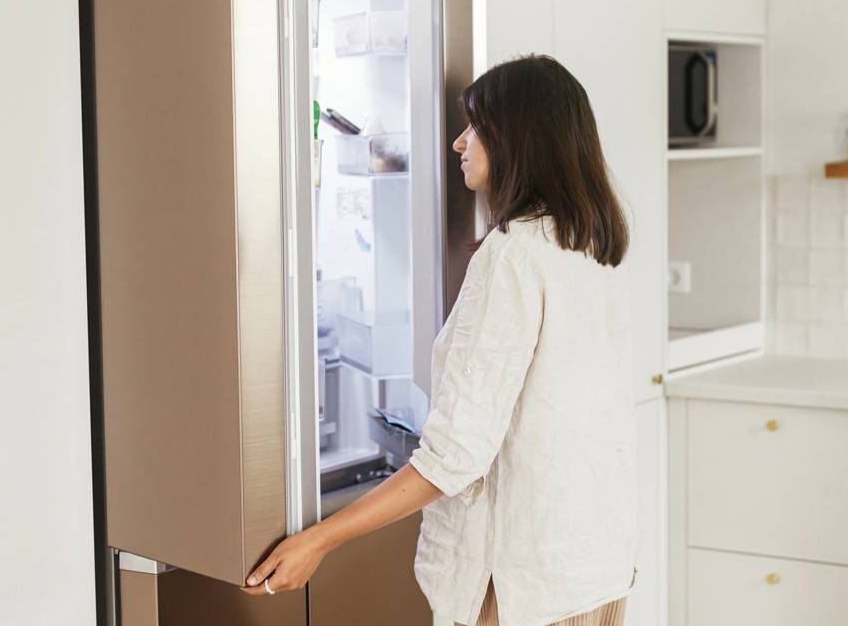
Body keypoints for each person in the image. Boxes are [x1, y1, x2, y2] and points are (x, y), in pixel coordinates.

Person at [243, 55, 638, 626]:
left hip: (521, 587)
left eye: (475, 126)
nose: (458, 142)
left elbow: (454, 457)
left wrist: (321, 539)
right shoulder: (592, 242)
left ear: (517, 138)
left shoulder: (512, 256)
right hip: (591, 567)